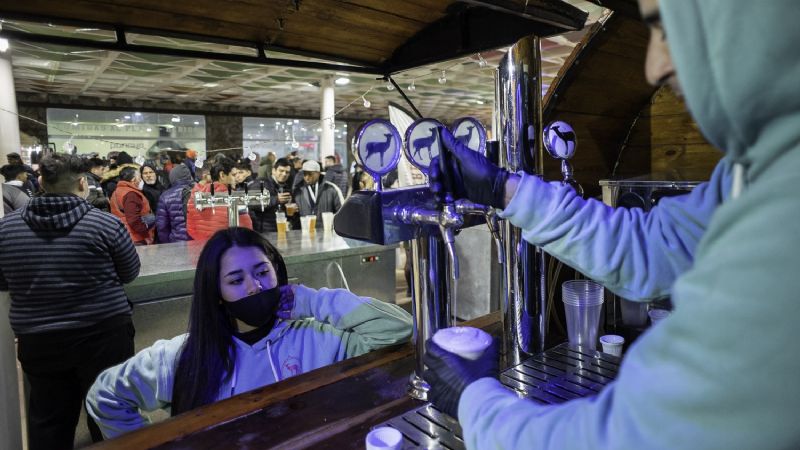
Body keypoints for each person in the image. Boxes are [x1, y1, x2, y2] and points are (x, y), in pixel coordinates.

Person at [422, 0, 800, 448]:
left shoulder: (785, 213)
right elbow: (656, 247)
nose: (654, 67)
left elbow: (630, 436)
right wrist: (502, 189)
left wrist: (475, 401)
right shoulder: (758, 172)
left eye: (668, 26)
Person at [86, 227, 413, 439]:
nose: (254, 286)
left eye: (261, 272)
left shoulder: (316, 337)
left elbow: (398, 328)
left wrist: (311, 301)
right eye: (235, 280)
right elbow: (105, 396)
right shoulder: (184, 356)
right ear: (216, 292)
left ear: (277, 271)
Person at [0, 153, 139, 449]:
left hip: (39, 340)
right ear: (82, 183)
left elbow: (3, 281)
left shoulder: (6, 229)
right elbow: (130, 272)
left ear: (41, 182)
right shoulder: (105, 224)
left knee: (49, 421)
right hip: (104, 335)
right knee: (109, 414)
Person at [185, 157, 253, 240]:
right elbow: (247, 230)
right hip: (226, 246)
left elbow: (190, 228)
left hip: (201, 246)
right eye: (233, 175)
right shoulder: (235, 198)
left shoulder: (193, 196)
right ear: (222, 175)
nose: (237, 178)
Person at [110, 167, 156, 245]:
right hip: (135, 238)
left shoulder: (117, 191)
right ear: (133, 179)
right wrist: (145, 229)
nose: (141, 180)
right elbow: (133, 219)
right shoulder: (130, 194)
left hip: (123, 234)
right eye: (139, 177)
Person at [248, 157, 294, 232]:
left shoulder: (285, 187)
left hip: (279, 229)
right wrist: (276, 199)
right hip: (263, 231)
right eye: (281, 171)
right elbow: (252, 201)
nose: (284, 174)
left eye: (287, 172)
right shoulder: (261, 183)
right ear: (273, 171)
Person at [293, 160, 344, 228]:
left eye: (310, 174)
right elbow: (295, 216)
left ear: (318, 173)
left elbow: (342, 213)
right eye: (304, 174)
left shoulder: (331, 189)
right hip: (306, 232)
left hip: (327, 231)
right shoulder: (298, 191)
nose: (307, 177)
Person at [155, 163, 195, 243]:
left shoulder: (165, 196)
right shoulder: (199, 191)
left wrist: (167, 244)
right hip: (198, 242)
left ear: (172, 177)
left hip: (177, 242)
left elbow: (162, 226)